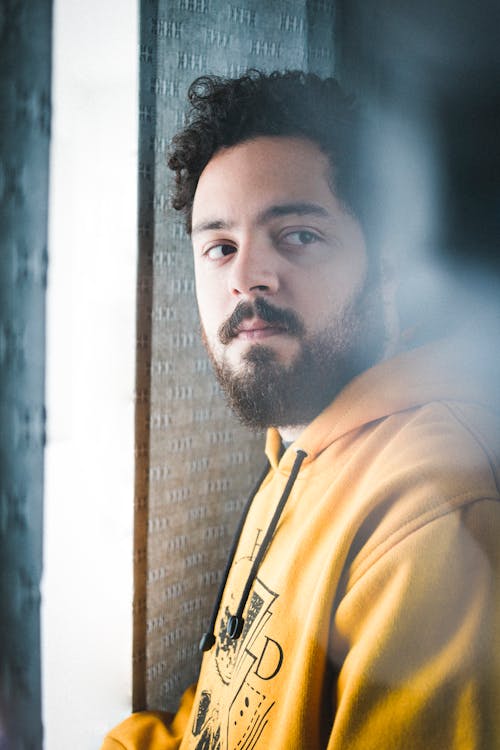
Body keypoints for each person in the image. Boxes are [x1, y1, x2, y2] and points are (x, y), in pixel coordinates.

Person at [102, 70, 500, 749]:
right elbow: (219, 722)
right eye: (219, 247)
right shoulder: (296, 456)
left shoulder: (428, 513)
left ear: (388, 269)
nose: (246, 276)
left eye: (298, 236)